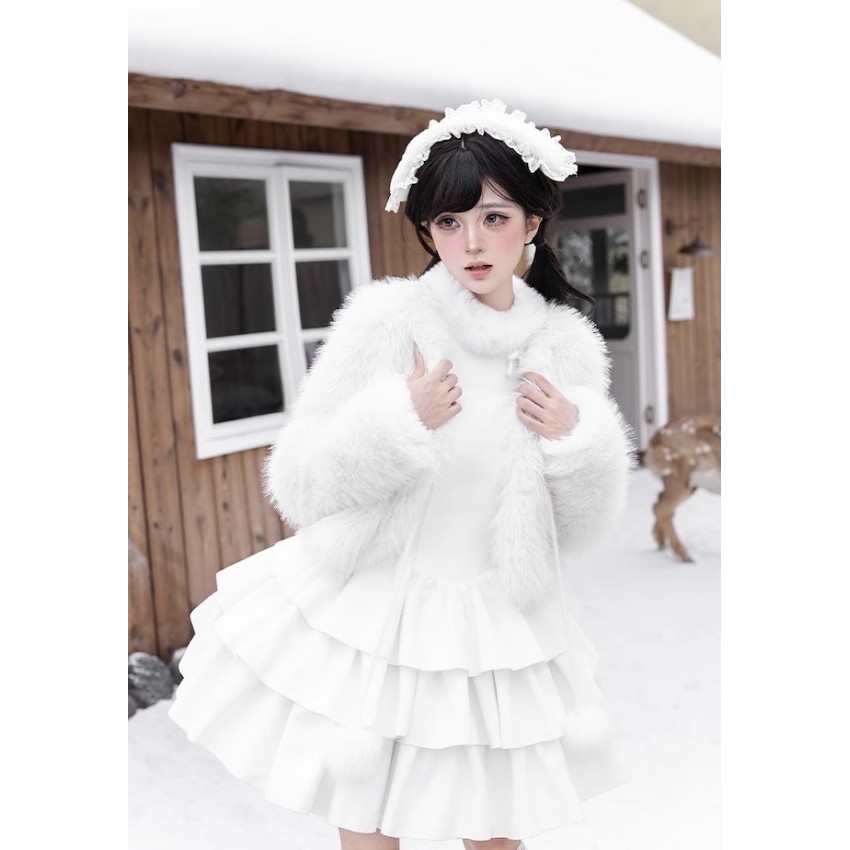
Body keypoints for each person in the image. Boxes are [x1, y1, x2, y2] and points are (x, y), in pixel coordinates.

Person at [169, 99, 634, 850]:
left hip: (501, 629)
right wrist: (397, 420)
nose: (471, 243)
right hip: (382, 620)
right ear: (428, 230)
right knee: (373, 829)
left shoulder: (565, 347)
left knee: (497, 833)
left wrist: (579, 442)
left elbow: (577, 532)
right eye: (449, 222)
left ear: (532, 222)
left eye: (493, 217)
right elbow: (299, 481)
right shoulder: (389, 323)